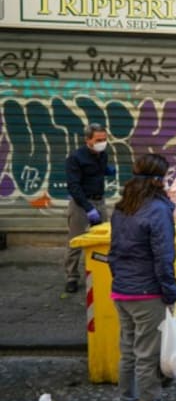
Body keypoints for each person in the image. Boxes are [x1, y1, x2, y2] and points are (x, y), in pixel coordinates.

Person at [109, 154, 176, 401]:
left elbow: (114, 251)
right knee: (146, 356)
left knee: (128, 352)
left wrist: (119, 280)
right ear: (158, 180)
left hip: (122, 291)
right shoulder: (158, 209)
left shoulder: (122, 206)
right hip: (146, 292)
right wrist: (170, 291)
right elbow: (163, 257)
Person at [64, 123, 116, 293]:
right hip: (81, 204)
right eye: (98, 139)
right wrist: (88, 208)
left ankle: (99, 272)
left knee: (102, 241)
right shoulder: (75, 158)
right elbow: (74, 186)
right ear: (88, 140)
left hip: (99, 201)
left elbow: (100, 172)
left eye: (104, 139)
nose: (103, 142)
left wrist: (106, 170)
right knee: (76, 242)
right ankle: (71, 277)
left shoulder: (102, 155)